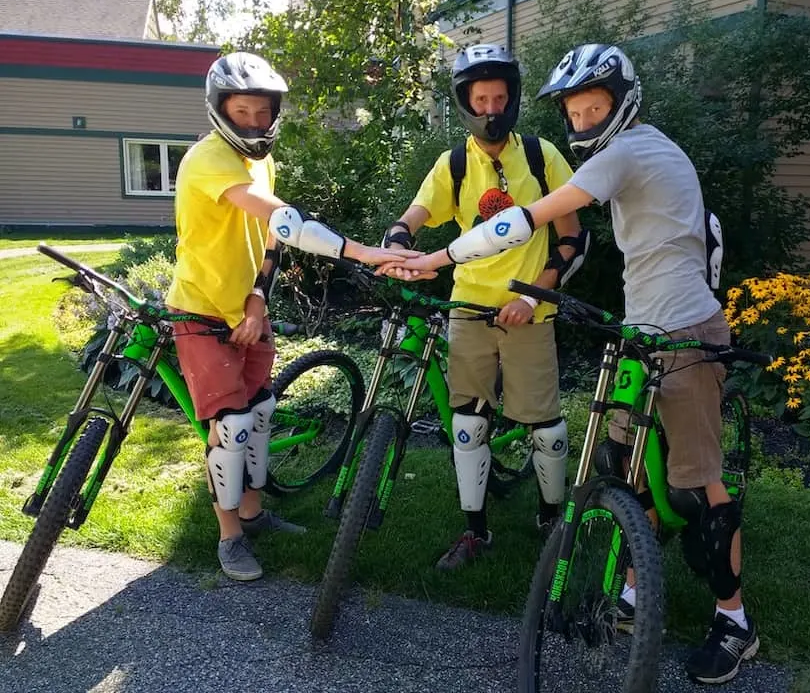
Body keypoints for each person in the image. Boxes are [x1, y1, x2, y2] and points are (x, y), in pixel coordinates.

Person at [382, 44, 757, 684]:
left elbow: (528, 221)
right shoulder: (626, 152)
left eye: (594, 106)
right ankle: (636, 592)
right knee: (625, 470)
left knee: (700, 484)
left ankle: (734, 620)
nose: (583, 120)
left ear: (622, 102)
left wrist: (434, 261)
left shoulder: (633, 150)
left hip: (685, 331)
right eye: (575, 111)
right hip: (639, 329)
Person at [166, 51, 417, 582]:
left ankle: (254, 516)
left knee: (258, 414)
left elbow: (270, 241)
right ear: (220, 109)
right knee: (231, 428)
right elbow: (287, 222)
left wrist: (258, 300)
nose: (255, 123)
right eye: (243, 112)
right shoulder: (210, 160)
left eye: (263, 112)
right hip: (201, 310)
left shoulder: (261, 162)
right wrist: (367, 253)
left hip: (246, 312)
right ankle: (229, 538)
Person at [381, 43, 588, 570]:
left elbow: (572, 241)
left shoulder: (542, 157)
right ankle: (475, 530)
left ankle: (551, 515)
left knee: (545, 426)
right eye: (482, 99)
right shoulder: (453, 164)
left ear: (513, 100)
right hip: (469, 307)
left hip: (529, 311)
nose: (492, 109)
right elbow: (419, 213)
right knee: (468, 422)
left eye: (500, 97)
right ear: (466, 105)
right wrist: (399, 237)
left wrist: (529, 295)